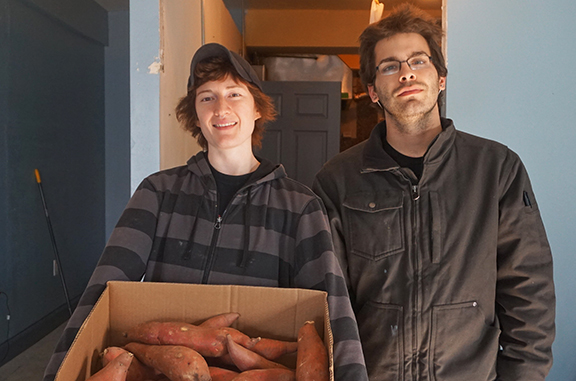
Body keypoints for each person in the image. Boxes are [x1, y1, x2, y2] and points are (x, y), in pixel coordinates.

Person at [43, 43, 368, 381]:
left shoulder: (300, 206)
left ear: (257, 108)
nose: (221, 108)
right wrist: (58, 372)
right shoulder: (157, 193)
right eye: (207, 97)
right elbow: (100, 291)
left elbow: (334, 312)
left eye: (235, 94)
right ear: (195, 115)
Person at [312, 5, 555, 381]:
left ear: (441, 78)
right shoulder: (337, 181)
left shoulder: (496, 169)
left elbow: (529, 293)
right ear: (373, 91)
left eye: (418, 61)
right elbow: (328, 301)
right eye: (390, 65)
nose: (406, 71)